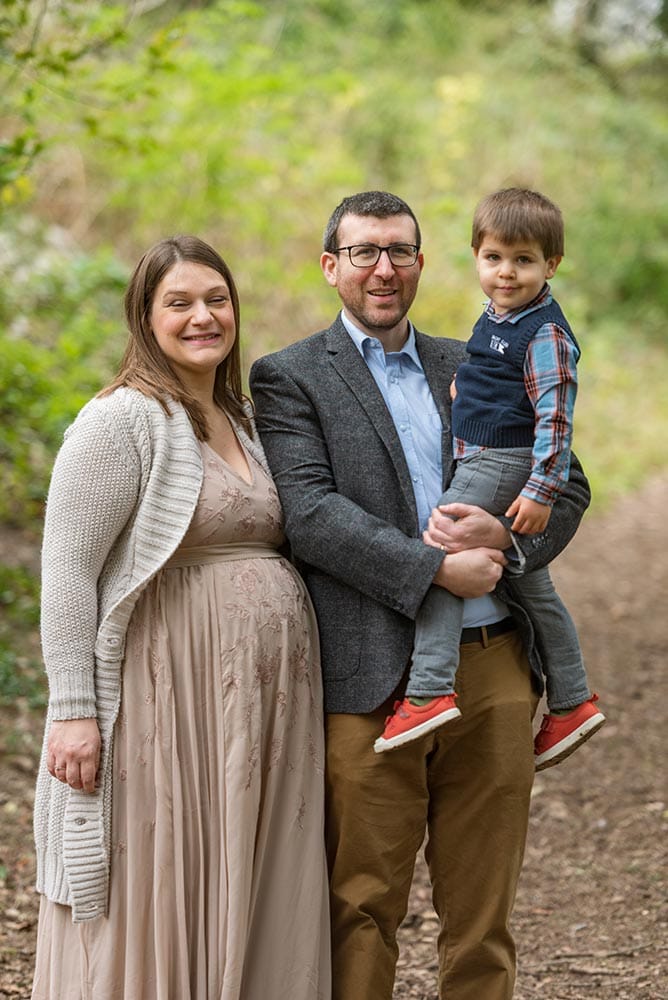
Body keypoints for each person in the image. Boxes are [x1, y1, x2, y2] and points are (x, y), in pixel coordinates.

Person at [249, 190, 591, 1000]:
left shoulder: (474, 356)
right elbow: (311, 515)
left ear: (424, 262)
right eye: (363, 251)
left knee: (483, 912)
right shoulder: (290, 377)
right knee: (362, 903)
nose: (383, 268)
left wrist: (506, 544)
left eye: (400, 250)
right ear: (331, 265)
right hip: (371, 678)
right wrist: (434, 568)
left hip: (495, 670)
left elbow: (567, 484)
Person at [31, 236, 330, 1000]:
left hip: (262, 710)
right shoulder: (121, 420)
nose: (204, 317)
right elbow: (68, 569)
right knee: (162, 868)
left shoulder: (245, 418)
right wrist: (71, 710)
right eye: (180, 303)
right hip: (166, 698)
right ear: (146, 316)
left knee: (253, 863)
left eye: (217, 299)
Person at [374, 188, 605, 768]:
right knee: (533, 584)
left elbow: (555, 416)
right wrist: (464, 396)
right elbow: (496, 381)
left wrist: (541, 490)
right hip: (491, 452)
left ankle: (429, 688)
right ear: (476, 256)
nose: (507, 272)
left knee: (442, 544)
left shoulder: (546, 332)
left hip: (503, 464)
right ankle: (572, 700)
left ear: (551, 265)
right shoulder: (497, 319)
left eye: (524, 260)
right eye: (495, 258)